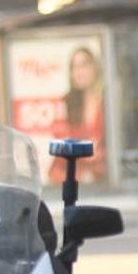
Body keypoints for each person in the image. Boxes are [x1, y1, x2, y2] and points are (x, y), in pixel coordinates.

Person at [49, 46, 106, 184]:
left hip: (99, 179)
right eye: (75, 67)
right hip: (67, 176)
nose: (80, 72)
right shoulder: (64, 104)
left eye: (84, 65)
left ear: (95, 68)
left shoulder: (104, 105)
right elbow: (62, 146)